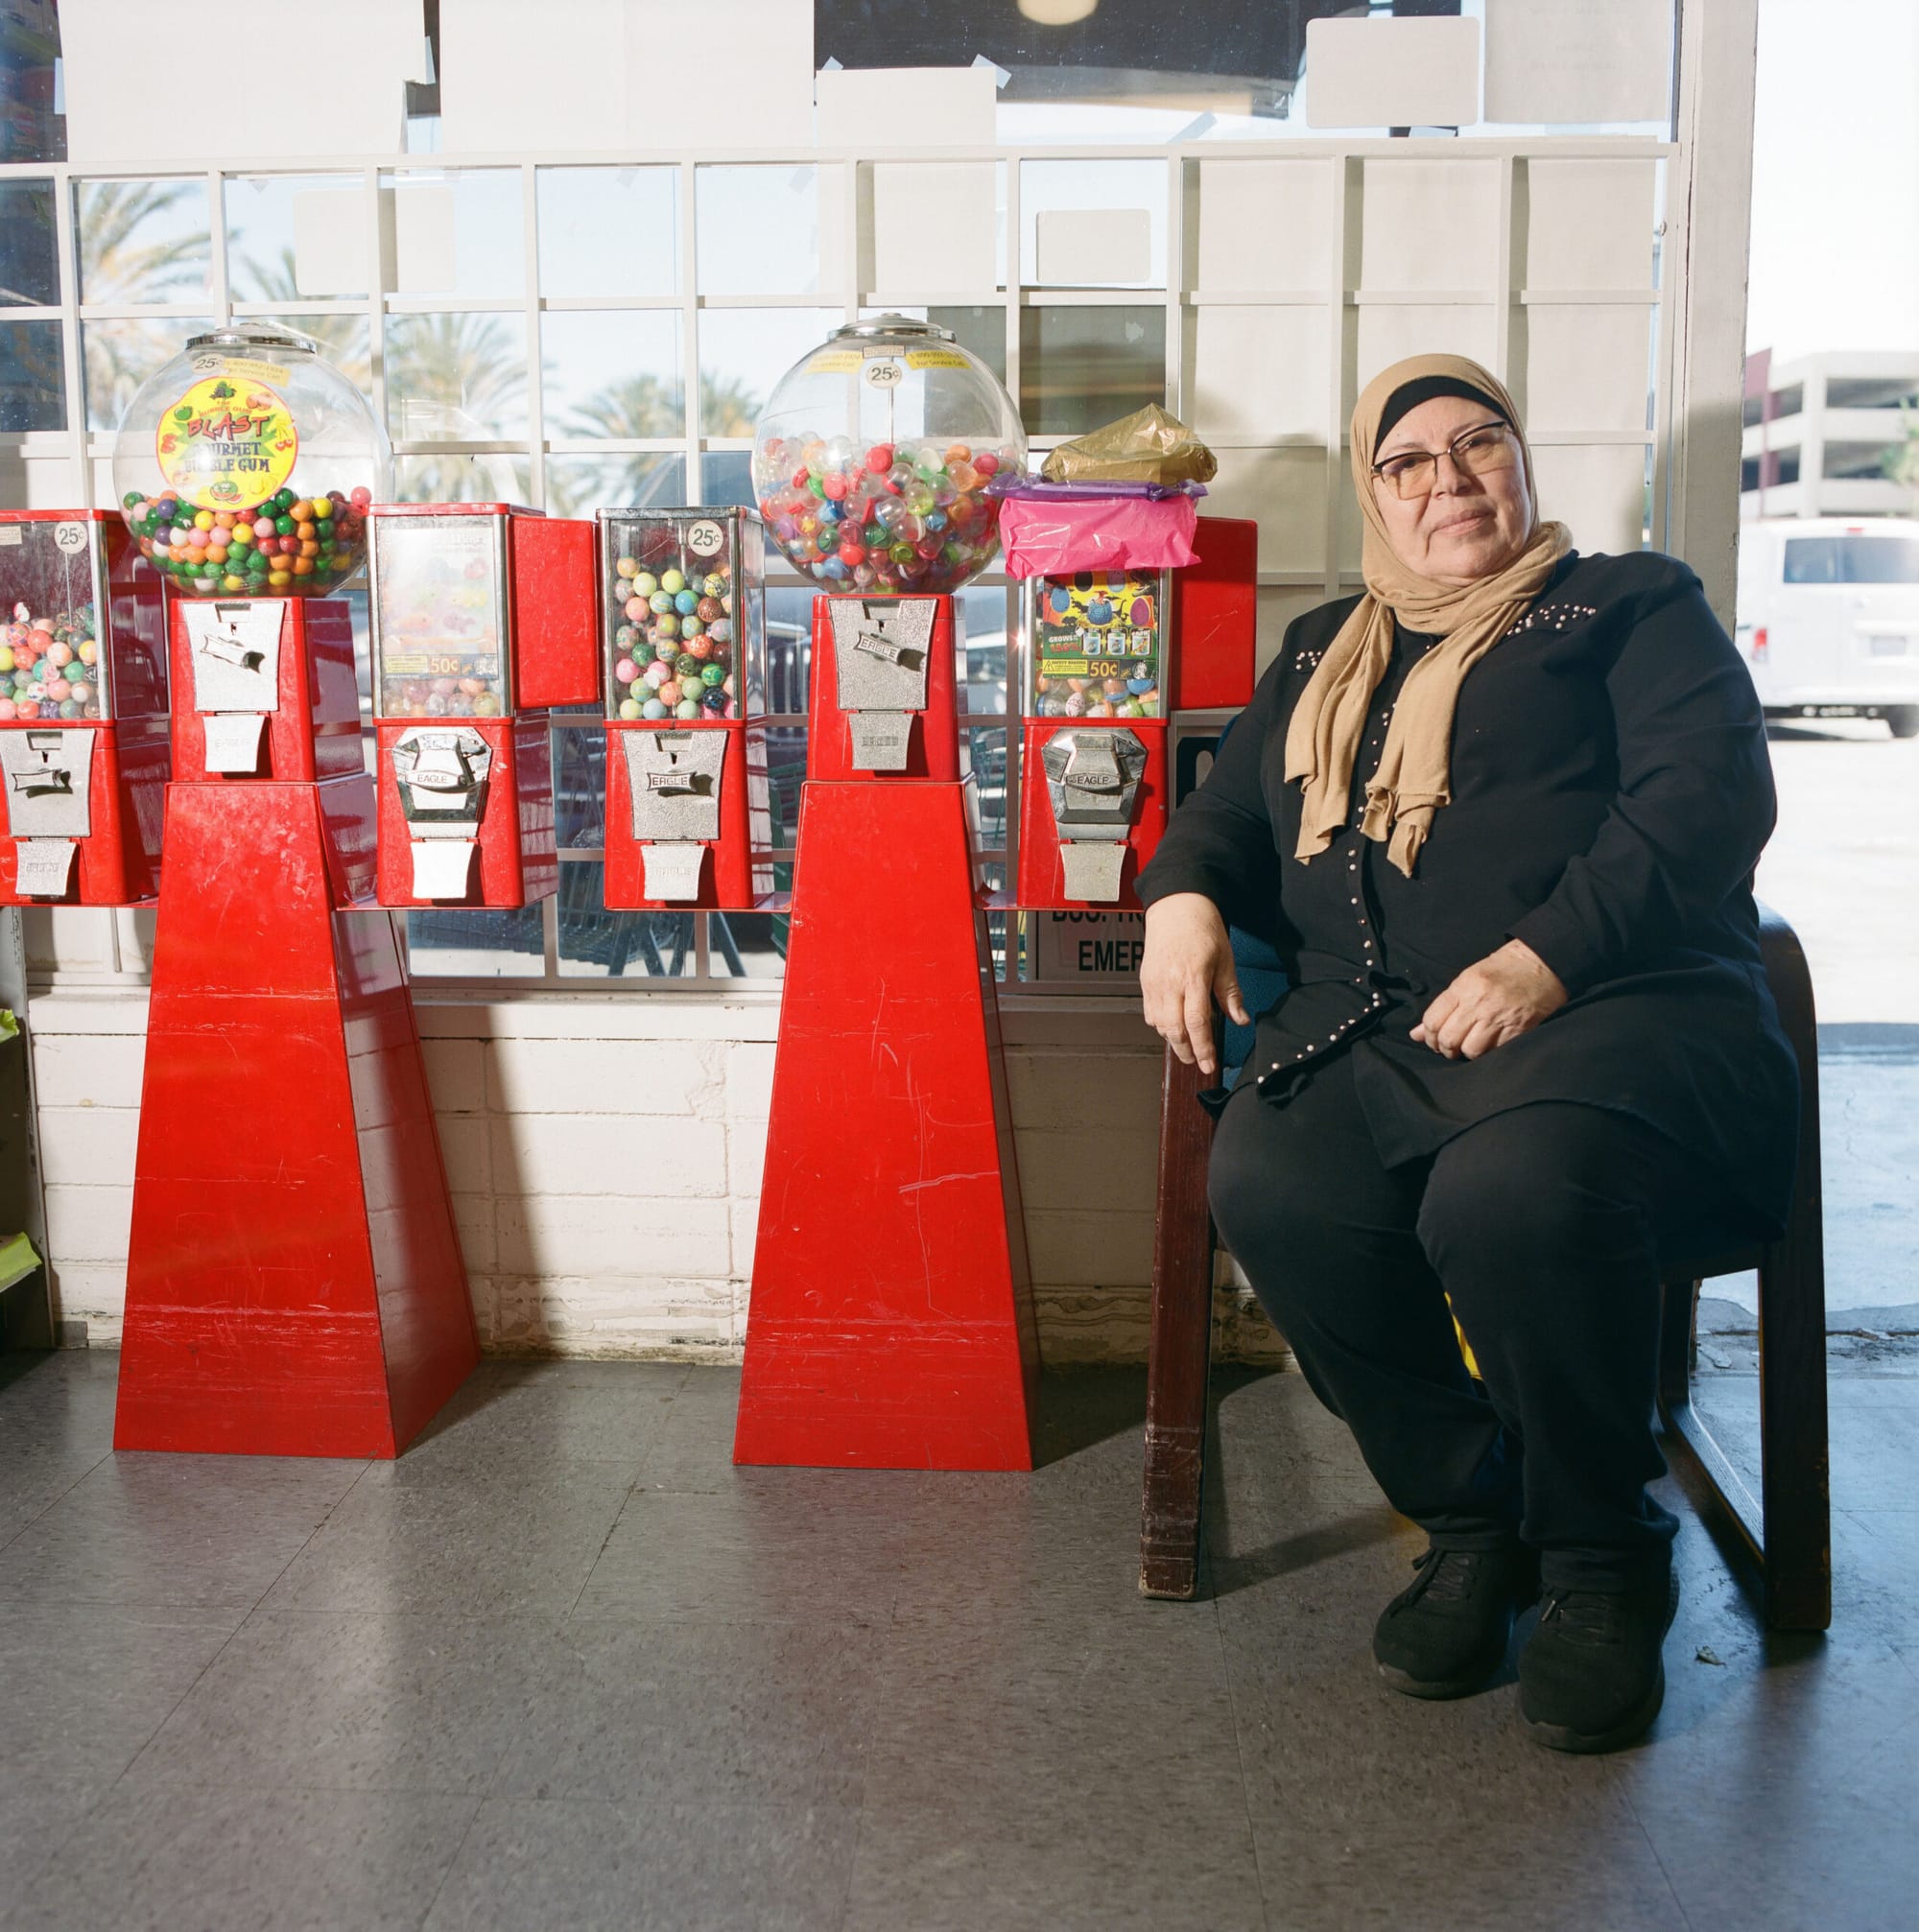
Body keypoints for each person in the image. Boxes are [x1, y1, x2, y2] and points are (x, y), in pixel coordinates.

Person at [1136, 352, 1798, 1755]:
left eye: (1478, 445)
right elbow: (1233, 816)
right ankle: (1472, 1515)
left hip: (1614, 1016)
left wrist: (1543, 954)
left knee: (1507, 1190)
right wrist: (1183, 898)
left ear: (1523, 461)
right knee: (1272, 1183)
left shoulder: (1628, 608)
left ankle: (1600, 1552)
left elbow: (1707, 797)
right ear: (1375, 495)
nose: (1449, 481)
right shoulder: (1327, 644)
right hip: (1386, 1032)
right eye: (1410, 462)